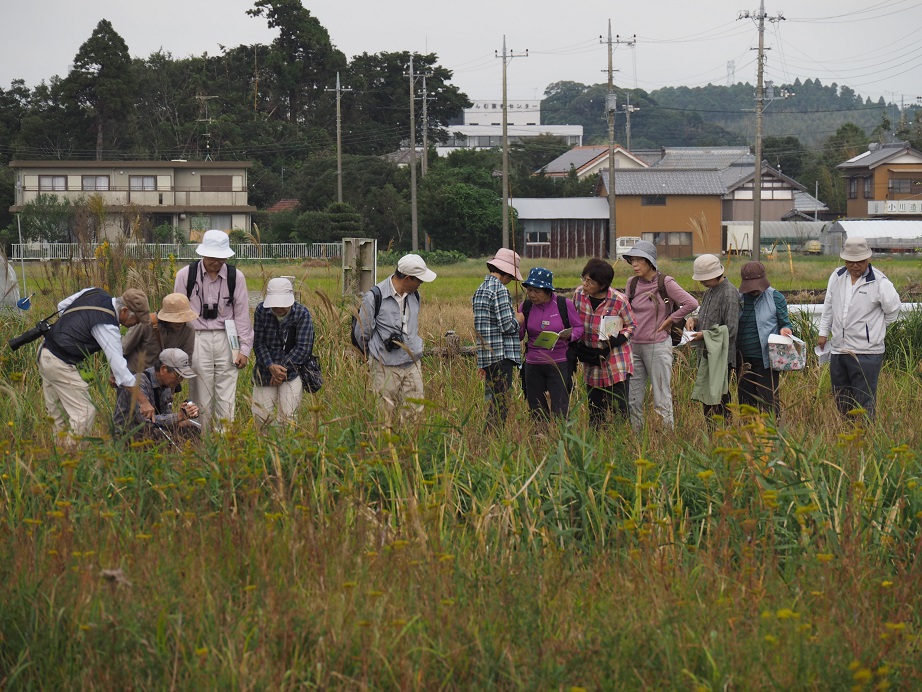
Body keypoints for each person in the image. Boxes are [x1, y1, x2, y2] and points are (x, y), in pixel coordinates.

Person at [37, 287, 154, 441]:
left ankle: (60, 457)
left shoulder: (94, 292)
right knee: (84, 412)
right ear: (124, 311)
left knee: (58, 414)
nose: (135, 324)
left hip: (45, 352)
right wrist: (144, 402)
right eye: (137, 319)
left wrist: (70, 332)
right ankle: (74, 457)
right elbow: (122, 374)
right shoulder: (107, 325)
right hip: (60, 363)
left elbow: (62, 306)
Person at [173, 230, 253, 428]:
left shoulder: (236, 277)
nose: (216, 262)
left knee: (227, 394)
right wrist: (179, 348)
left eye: (220, 258)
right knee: (200, 394)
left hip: (227, 338)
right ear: (203, 254)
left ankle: (225, 442)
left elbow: (242, 314)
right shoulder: (185, 275)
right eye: (212, 257)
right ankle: (201, 440)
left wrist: (244, 350)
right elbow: (178, 313)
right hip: (196, 337)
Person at [818, 237, 901, 421]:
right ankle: (846, 437)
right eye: (850, 262)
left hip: (867, 352)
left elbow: (893, 310)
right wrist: (823, 333)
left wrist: (874, 330)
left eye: (859, 262)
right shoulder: (837, 277)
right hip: (839, 348)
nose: (855, 266)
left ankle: (865, 437)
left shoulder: (880, 282)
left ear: (867, 259)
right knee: (841, 397)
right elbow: (829, 306)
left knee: (864, 399)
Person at [622, 240, 698, 431]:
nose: (635, 265)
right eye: (632, 260)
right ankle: (636, 437)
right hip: (634, 345)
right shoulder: (632, 283)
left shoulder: (665, 282)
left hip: (657, 345)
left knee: (661, 397)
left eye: (639, 260)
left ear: (650, 261)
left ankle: (667, 438)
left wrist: (670, 319)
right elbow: (627, 310)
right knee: (633, 397)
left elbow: (691, 303)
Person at [353, 253, 436, 422]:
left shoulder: (415, 296)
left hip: (412, 363)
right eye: (419, 280)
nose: (420, 284)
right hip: (384, 366)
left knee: (415, 415)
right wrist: (373, 356)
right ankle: (384, 447)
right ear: (407, 278)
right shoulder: (375, 297)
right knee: (384, 417)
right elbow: (362, 333)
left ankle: (409, 447)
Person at [572, 258, 635, 429]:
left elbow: (631, 325)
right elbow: (574, 319)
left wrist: (618, 340)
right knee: (595, 407)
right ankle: (597, 439)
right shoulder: (579, 294)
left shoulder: (618, 300)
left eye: (590, 281)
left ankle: (621, 440)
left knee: (619, 407)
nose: (585, 284)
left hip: (615, 358)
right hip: (592, 358)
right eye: (583, 278)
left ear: (603, 284)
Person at [519, 267, 584, 422]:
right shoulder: (525, 307)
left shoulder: (563, 304)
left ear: (548, 291)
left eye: (537, 291)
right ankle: (540, 440)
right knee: (536, 409)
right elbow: (520, 335)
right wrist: (517, 323)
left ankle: (561, 439)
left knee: (560, 407)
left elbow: (579, 328)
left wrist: (568, 336)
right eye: (529, 290)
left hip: (559, 363)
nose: (532, 295)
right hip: (533, 364)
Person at [472, 248, 525, 432]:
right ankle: (492, 438)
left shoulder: (480, 289)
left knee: (495, 399)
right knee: (501, 404)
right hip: (501, 356)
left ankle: (489, 438)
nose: (511, 281)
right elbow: (507, 326)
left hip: (487, 357)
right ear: (507, 273)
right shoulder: (500, 290)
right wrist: (518, 320)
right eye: (511, 277)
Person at [252, 278, 316, 429]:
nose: (279, 308)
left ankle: (286, 450)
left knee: (288, 417)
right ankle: (265, 449)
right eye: (275, 304)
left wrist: (279, 369)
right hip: (264, 370)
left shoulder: (302, 314)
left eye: (283, 304)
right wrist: (270, 366)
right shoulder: (261, 311)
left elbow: (303, 348)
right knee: (260, 415)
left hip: (293, 371)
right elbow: (258, 343)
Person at [736, 261, 793, 417]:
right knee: (746, 403)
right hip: (742, 359)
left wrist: (785, 330)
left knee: (769, 402)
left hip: (767, 359)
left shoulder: (776, 297)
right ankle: (749, 436)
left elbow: (785, 322)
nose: (753, 290)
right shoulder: (737, 297)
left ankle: (773, 435)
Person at [688, 254, 739, 426]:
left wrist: (705, 335)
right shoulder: (710, 291)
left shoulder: (729, 293)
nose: (702, 283)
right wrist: (694, 321)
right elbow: (706, 316)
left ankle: (724, 432)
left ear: (716, 274)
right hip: (707, 352)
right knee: (707, 394)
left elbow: (731, 329)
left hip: (721, 355)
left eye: (705, 279)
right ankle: (712, 432)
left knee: (719, 395)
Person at [114, 348, 200, 441]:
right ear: (163, 369)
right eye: (178, 376)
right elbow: (144, 421)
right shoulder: (138, 383)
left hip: (151, 427)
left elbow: (165, 417)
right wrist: (178, 416)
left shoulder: (167, 385)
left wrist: (183, 416)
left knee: (191, 428)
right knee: (163, 437)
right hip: (129, 431)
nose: (180, 380)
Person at [122, 292, 197, 374]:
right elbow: (123, 349)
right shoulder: (146, 323)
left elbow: (186, 361)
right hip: (135, 376)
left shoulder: (188, 329)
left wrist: (176, 381)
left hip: (165, 381)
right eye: (176, 319)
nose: (179, 323)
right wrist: (115, 373)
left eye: (182, 319)